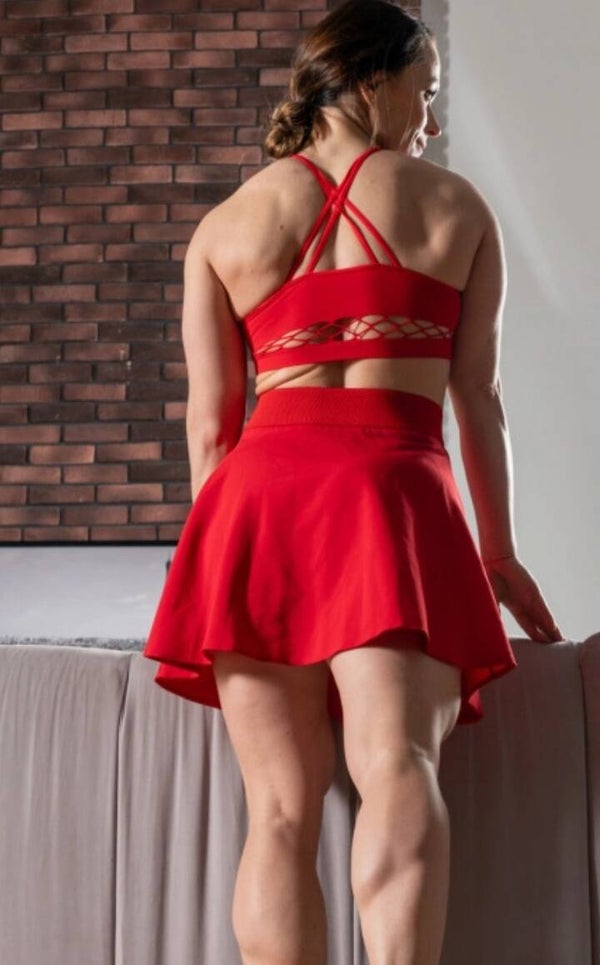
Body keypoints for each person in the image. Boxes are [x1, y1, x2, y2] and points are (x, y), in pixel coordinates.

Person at [143, 1, 564, 961]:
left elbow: (210, 430)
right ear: (373, 83)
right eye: (425, 91)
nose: (432, 120)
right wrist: (498, 553)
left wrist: (214, 566)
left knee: (278, 808)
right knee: (399, 764)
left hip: (257, 502)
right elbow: (479, 400)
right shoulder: (456, 207)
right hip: (391, 493)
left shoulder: (224, 225)